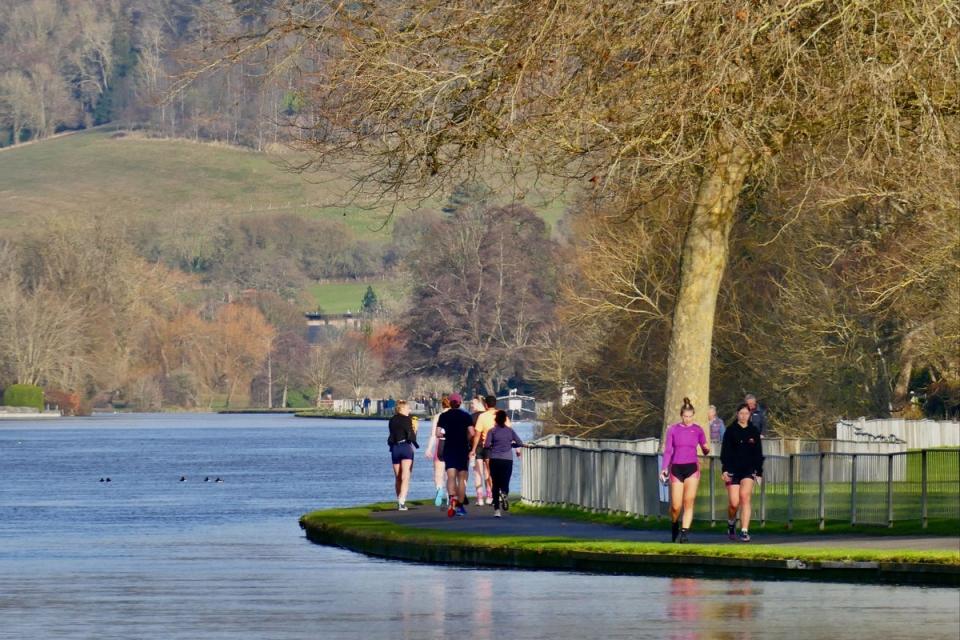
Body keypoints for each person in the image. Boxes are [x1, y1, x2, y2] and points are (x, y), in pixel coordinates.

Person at [659, 397, 710, 543]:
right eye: (685, 416)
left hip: (692, 468)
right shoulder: (673, 430)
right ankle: (675, 523)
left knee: (689, 501)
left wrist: (706, 449)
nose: (688, 419)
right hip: (676, 468)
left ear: (693, 415)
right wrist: (664, 469)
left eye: (690, 416)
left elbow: (705, 448)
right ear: (681, 416)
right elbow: (668, 450)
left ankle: (684, 533)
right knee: (676, 506)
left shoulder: (698, 430)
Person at [721, 403, 764, 542]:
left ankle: (744, 531)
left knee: (745, 497)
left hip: (748, 470)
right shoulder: (730, 430)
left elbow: (758, 453)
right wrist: (725, 470)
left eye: (746, 413)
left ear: (750, 415)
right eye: (741, 413)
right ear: (737, 414)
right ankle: (731, 523)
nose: (744, 416)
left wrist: (759, 472)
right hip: (733, 470)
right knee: (734, 503)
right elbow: (725, 453)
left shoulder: (754, 431)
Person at [437, 393, 476, 517]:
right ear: (460, 403)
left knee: (451, 476)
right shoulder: (466, 416)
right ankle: (459, 506)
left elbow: (438, 433)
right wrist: (466, 438)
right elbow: (472, 432)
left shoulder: (443, 416)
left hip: (449, 448)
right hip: (462, 448)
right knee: (462, 478)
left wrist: (445, 435)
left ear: (450, 402)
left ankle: (451, 499)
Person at [484, 410, 523, 518]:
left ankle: (497, 510)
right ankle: (504, 493)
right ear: (505, 419)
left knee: (495, 484)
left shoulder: (492, 431)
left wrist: (492, 446)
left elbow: (486, 445)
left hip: (495, 459)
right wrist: (511, 445)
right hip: (507, 460)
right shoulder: (510, 431)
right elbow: (520, 443)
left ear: (496, 420)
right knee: (505, 481)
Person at [386, 399, 418, 511]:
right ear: (402, 409)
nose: (409, 410)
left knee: (398, 477)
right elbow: (412, 436)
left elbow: (392, 435)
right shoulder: (407, 420)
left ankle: (399, 500)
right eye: (408, 408)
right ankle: (402, 501)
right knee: (405, 476)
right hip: (405, 447)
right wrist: (415, 430)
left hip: (395, 448)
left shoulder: (392, 420)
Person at [423, 395, 451, 507]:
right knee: (450, 474)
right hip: (451, 446)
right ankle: (450, 496)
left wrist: (429, 449)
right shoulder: (456, 416)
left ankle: (439, 490)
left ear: (442, 404)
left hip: (440, 445)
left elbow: (433, 435)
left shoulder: (438, 416)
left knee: (438, 473)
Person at [471, 395, 498, 505]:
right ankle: (489, 495)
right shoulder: (491, 415)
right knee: (488, 471)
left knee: (477, 472)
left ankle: (480, 498)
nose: (471, 405)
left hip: (477, 446)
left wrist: (471, 449)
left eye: (473, 403)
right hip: (489, 446)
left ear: (480, 403)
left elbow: (473, 434)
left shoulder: (472, 417)